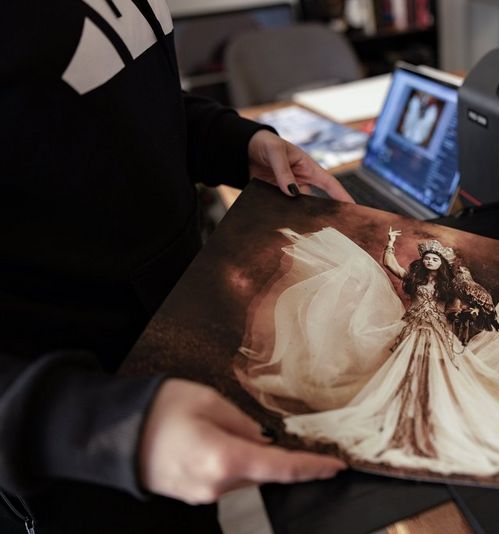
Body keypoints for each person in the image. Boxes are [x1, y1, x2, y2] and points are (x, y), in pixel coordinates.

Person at [1, 1, 348, 532]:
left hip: (176, 355)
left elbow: (112, 94)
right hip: (74, 445)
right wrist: (89, 424)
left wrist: (233, 142)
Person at [236, 226, 499, 475]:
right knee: (403, 371)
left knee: (441, 375)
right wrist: (392, 244)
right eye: (427, 257)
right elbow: (393, 270)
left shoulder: (450, 287)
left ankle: (434, 416)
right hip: (413, 329)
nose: (430, 262)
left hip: (437, 332)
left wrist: (467, 302)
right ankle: (402, 412)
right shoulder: (413, 278)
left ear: (442, 264)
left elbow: (461, 306)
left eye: (435, 258)